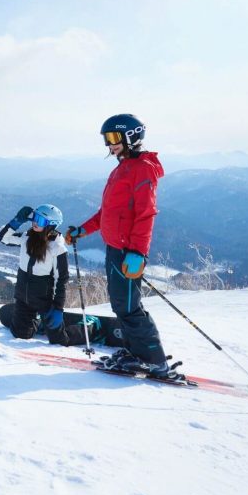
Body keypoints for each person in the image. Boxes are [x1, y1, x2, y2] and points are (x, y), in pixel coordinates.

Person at [65, 113, 181, 379]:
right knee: (120, 305)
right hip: (115, 248)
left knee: (129, 307)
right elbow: (108, 212)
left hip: (129, 251)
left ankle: (154, 361)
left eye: (114, 137)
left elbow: (146, 214)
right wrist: (83, 230)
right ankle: (135, 352)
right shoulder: (122, 167)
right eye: (107, 139)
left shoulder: (142, 168)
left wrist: (138, 252)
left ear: (131, 136)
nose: (110, 144)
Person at [0, 203, 92, 346]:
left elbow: (61, 280)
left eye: (40, 221)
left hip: (45, 301)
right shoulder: (26, 237)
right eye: (35, 217)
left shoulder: (57, 248)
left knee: (59, 340)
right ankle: (38, 322)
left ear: (51, 225)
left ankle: (91, 326)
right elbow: (3, 238)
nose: (35, 222)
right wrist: (17, 221)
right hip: (24, 297)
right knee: (20, 335)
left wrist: (58, 308)